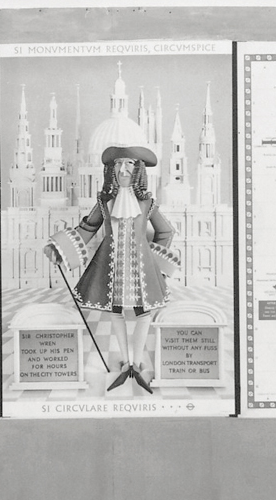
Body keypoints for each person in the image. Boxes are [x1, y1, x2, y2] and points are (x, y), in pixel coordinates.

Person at [46, 145, 179, 393]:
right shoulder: (105, 202)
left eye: (129, 163)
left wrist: (156, 264)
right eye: (118, 164)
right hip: (111, 266)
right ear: (111, 170)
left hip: (140, 269)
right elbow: (87, 228)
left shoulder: (147, 203)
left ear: (138, 170)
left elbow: (166, 232)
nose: (123, 169)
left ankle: (136, 363)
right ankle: (126, 362)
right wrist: (59, 249)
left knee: (143, 313)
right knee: (115, 311)